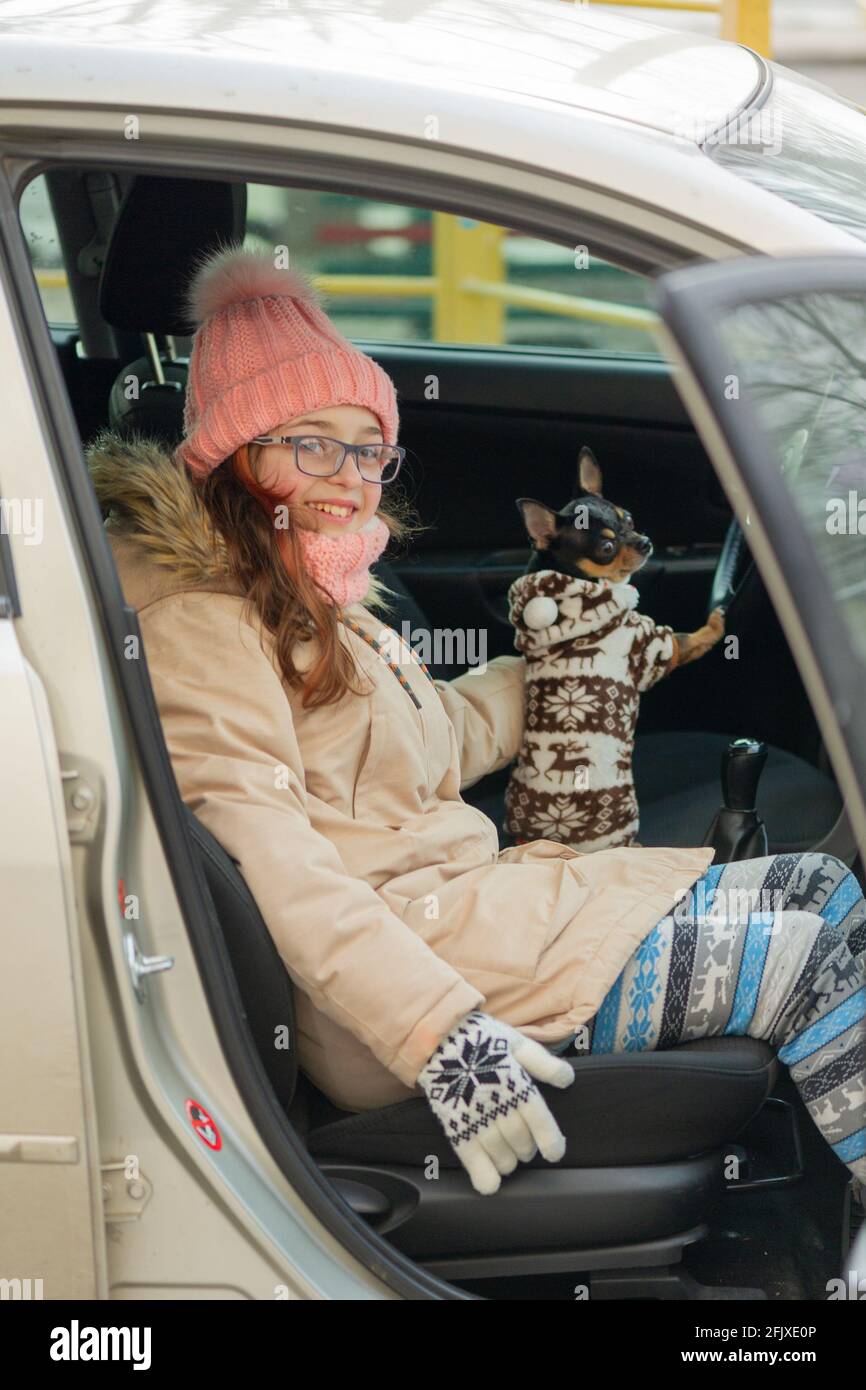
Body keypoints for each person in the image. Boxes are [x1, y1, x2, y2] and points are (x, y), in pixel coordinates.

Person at [87, 245, 866, 1206]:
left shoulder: (311, 583)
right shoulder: (203, 621)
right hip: (416, 980)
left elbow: (434, 743)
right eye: (309, 442)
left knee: (820, 885)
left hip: (468, 917)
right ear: (230, 457)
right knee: (817, 945)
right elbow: (277, 863)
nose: (350, 476)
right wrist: (441, 1037)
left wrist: (567, 664)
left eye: (368, 448)